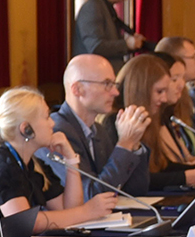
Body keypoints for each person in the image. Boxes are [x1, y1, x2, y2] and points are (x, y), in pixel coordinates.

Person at [0, 86, 118, 231]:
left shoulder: (34, 164)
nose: (52, 123)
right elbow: (25, 223)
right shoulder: (0, 165)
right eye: (46, 117)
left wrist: (70, 158)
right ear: (26, 129)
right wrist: (87, 211)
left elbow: (69, 210)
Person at [121, 54, 195, 190]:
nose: (164, 99)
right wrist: (190, 176)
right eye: (159, 91)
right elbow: (138, 182)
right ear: (142, 90)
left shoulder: (150, 118)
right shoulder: (120, 122)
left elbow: (163, 166)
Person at [50, 54, 150, 196]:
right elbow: (90, 194)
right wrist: (125, 144)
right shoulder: (57, 132)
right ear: (78, 89)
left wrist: (134, 144)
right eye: (107, 84)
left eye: (114, 84)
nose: (115, 92)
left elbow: (135, 190)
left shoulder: (99, 131)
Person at [72, 0, 148, 71]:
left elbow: (110, 46)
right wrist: (127, 44)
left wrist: (134, 44)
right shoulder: (92, 8)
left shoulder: (104, 7)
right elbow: (96, 47)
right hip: (95, 74)